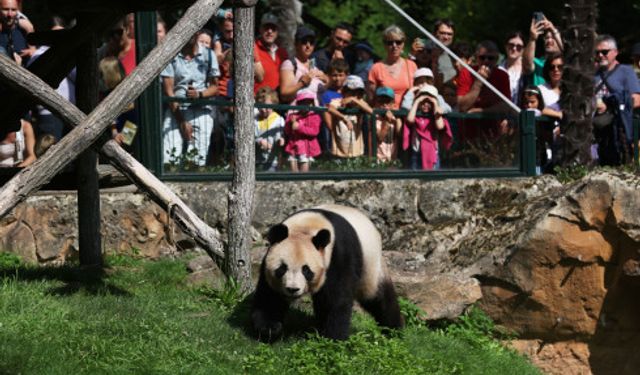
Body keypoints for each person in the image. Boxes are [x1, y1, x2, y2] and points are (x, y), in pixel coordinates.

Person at [161, 33, 220, 166]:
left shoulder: (209, 55)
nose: (190, 35)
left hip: (202, 111)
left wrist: (199, 94)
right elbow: (168, 91)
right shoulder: (171, 55)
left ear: (197, 32)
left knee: (196, 161)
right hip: (176, 109)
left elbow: (215, 87)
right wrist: (181, 121)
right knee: (170, 158)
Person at [592, 35, 640, 166]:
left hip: (617, 131)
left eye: (604, 52)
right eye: (597, 52)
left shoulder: (626, 72)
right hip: (595, 131)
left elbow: (636, 100)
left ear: (615, 52)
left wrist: (610, 105)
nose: (600, 55)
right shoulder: (592, 74)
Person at [27, 16, 76, 141]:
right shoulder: (38, 56)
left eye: (61, 32)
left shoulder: (71, 53)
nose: (58, 36)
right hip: (49, 114)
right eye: (55, 32)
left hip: (71, 113)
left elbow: (77, 76)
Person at [403, 85, 453, 170]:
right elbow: (410, 120)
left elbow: (440, 126)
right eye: (423, 102)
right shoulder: (415, 114)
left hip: (433, 154)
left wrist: (435, 103)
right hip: (417, 153)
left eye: (429, 102)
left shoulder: (436, 115)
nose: (426, 104)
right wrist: (417, 101)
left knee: (433, 181)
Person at [367, 25, 417, 109]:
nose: (394, 46)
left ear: (403, 44)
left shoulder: (412, 65)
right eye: (390, 42)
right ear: (385, 45)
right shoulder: (376, 68)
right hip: (385, 116)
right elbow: (371, 100)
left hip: (407, 115)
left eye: (398, 42)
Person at [326, 75, 373, 159]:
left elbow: (371, 111)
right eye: (351, 93)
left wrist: (355, 100)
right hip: (339, 152)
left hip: (356, 152)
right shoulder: (339, 102)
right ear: (344, 92)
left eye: (358, 94)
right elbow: (330, 109)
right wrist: (344, 118)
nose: (354, 96)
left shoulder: (360, 104)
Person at [279, 25, 328, 104]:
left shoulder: (313, 64)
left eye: (311, 42)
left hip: (315, 113)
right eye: (304, 41)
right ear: (296, 44)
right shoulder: (290, 64)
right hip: (297, 113)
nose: (308, 46)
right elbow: (284, 95)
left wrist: (326, 79)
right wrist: (301, 83)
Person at [284, 90, 322, 172]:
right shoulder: (293, 116)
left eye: (309, 102)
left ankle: (304, 183)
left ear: (313, 104)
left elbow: (314, 131)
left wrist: (299, 127)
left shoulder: (314, 116)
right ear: (298, 104)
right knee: (293, 170)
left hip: (306, 148)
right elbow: (287, 131)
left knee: (304, 172)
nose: (306, 105)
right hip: (293, 147)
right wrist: (289, 122)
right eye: (303, 102)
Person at [523, 13, 563, 86]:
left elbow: (568, 55)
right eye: (547, 38)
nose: (549, 41)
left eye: (553, 38)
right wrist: (532, 39)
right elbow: (527, 66)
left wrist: (553, 29)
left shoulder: (566, 64)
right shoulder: (537, 62)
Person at [319, 58, 349, 154]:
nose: (338, 78)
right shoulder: (326, 94)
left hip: (349, 132)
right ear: (329, 76)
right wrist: (337, 132)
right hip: (333, 134)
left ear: (346, 76)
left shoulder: (349, 93)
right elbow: (327, 119)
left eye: (341, 75)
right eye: (334, 75)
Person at [254, 13, 288, 94]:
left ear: (277, 32)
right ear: (260, 29)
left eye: (273, 28)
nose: (270, 31)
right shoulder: (252, 49)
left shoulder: (283, 53)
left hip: (278, 103)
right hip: (258, 102)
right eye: (266, 28)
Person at [255, 87, 285, 171]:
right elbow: (251, 136)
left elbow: (279, 135)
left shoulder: (279, 119)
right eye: (261, 106)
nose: (263, 110)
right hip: (256, 159)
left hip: (272, 160)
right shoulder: (254, 119)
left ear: (273, 104)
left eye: (267, 107)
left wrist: (280, 140)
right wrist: (259, 141)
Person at [373, 86, 401, 163]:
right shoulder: (374, 118)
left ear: (393, 103)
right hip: (378, 161)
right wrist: (387, 121)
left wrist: (397, 119)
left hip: (393, 159)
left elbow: (400, 134)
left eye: (388, 101)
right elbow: (380, 137)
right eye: (381, 101)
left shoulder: (396, 117)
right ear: (376, 103)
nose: (384, 104)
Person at [0, 0, 32, 65]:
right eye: (5, 9)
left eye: (13, 10)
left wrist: (30, 52)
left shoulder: (25, 27)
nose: (10, 14)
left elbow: (33, 50)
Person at [500, 31, 526, 105]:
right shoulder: (498, 68)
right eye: (511, 45)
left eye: (519, 46)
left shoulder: (527, 69)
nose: (514, 48)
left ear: (523, 49)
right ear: (505, 46)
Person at [430, 19, 457, 86]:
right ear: (434, 33)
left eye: (449, 34)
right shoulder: (425, 50)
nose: (446, 37)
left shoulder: (456, 54)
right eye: (442, 33)